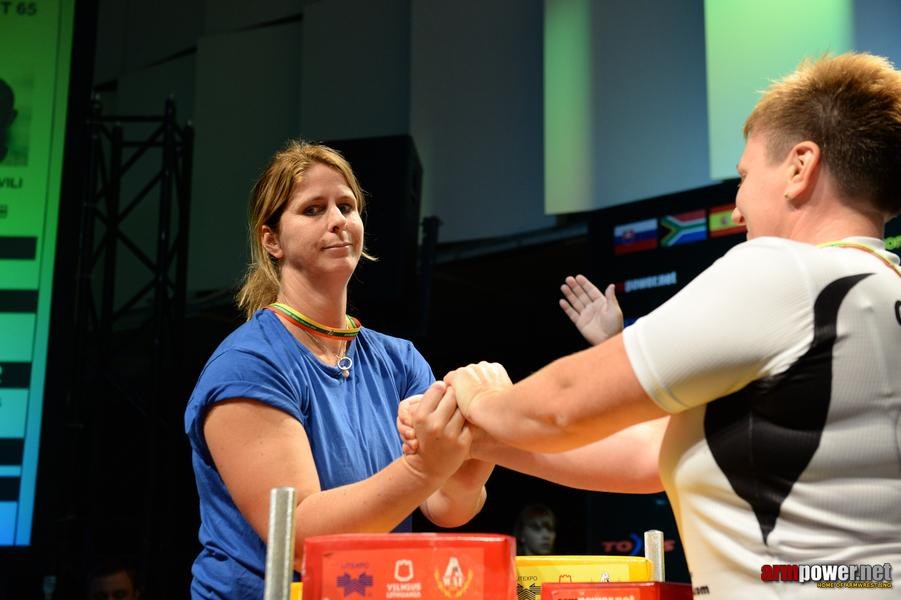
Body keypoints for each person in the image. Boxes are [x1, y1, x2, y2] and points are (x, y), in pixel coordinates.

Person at [440, 52, 901, 598]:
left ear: (800, 168)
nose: (736, 209)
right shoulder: (879, 284)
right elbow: (649, 455)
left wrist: (476, 397)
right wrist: (478, 442)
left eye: (746, 177)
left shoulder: (787, 272)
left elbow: (562, 402)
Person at [184, 141, 493, 598]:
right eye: (313, 209)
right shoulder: (247, 365)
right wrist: (426, 467)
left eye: (346, 206)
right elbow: (303, 543)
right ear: (272, 239)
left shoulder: (400, 360)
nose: (338, 220)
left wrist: (476, 451)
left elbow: (447, 506)